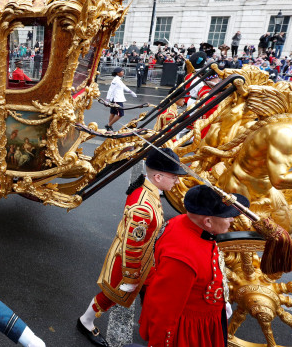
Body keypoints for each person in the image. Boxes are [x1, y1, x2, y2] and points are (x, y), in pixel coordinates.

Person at [77, 148, 186, 346]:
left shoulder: (149, 191)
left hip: (144, 260)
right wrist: (131, 277)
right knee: (110, 296)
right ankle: (85, 321)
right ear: (159, 177)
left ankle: (153, 328)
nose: (177, 181)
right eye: (174, 177)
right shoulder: (144, 208)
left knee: (153, 291)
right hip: (129, 263)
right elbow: (132, 247)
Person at [139, 184, 250, 346]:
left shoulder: (187, 224)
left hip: (207, 315)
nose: (232, 219)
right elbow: (165, 311)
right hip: (189, 331)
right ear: (208, 221)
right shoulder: (182, 258)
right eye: (227, 216)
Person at [105, 67, 136, 131]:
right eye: (122, 71)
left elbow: (124, 87)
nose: (123, 72)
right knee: (120, 114)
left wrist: (131, 92)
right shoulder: (115, 80)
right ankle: (108, 125)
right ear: (118, 73)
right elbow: (110, 90)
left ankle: (109, 126)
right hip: (117, 99)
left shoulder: (118, 80)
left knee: (113, 113)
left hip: (116, 99)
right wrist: (107, 100)